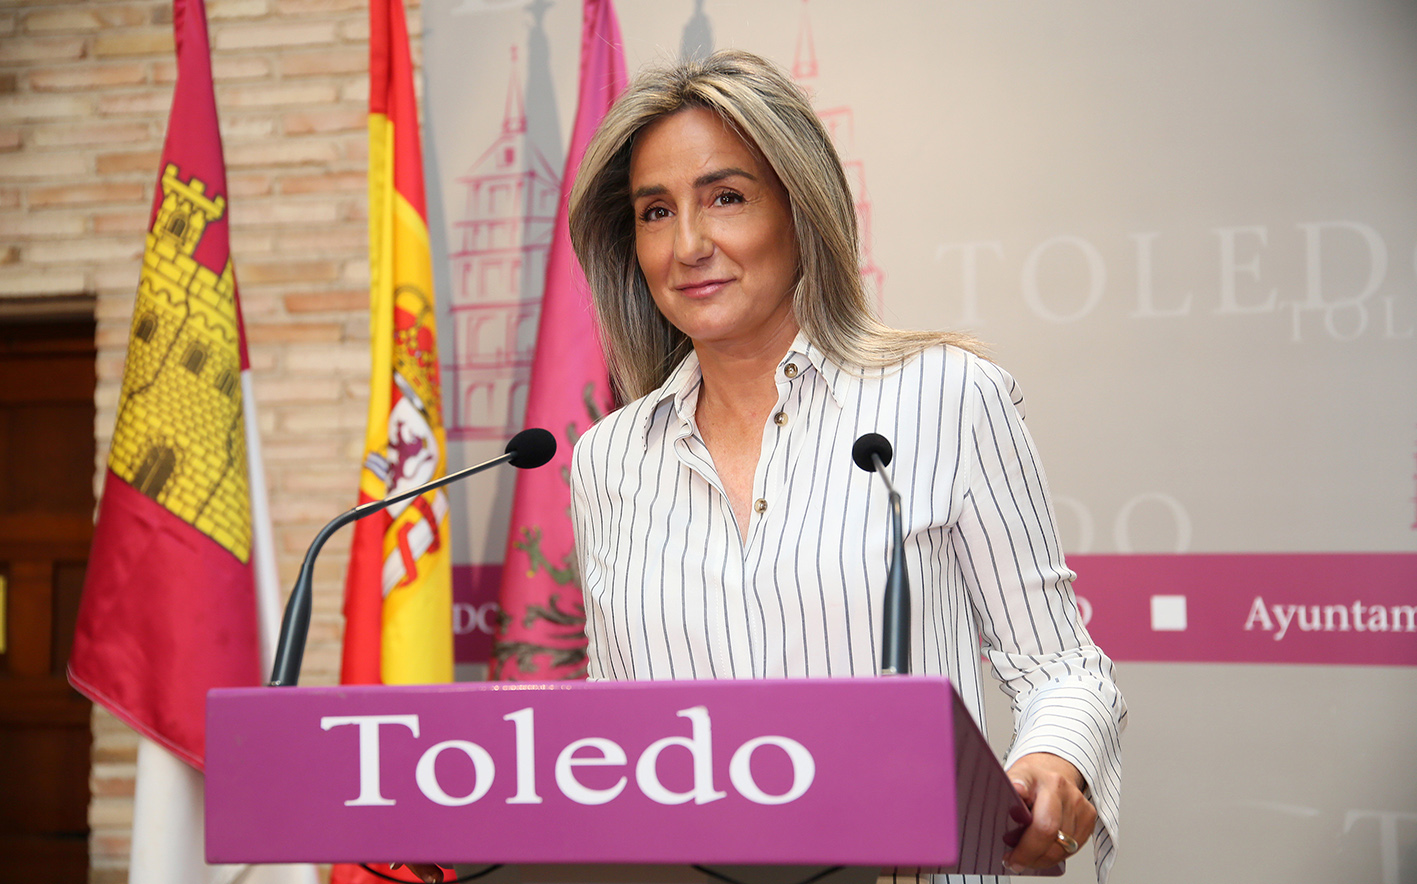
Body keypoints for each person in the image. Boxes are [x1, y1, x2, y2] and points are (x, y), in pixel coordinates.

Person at [402, 48, 1125, 884]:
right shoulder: (607, 457)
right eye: (655, 212)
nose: (690, 244)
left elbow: (1060, 666)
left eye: (726, 198)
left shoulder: (947, 396)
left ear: (799, 210)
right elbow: (618, 729)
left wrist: (1051, 761)